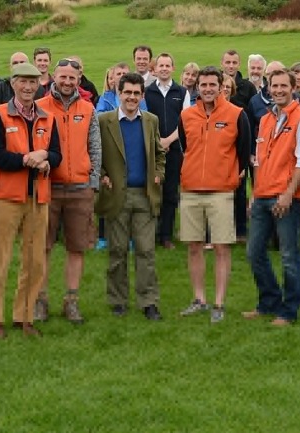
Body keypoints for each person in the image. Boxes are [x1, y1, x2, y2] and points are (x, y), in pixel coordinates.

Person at [0, 63, 62, 338]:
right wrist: (27, 160)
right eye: (23, 82)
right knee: (1, 259)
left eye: (33, 82)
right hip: (8, 197)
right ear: (13, 84)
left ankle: (24, 316)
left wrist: (45, 158)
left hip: (38, 197)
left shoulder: (48, 117)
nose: (29, 87)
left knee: (34, 260)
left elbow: (56, 155)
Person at [178, 66, 250, 323]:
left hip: (221, 191)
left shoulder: (236, 114)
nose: (207, 89)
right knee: (194, 247)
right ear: (197, 87)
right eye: (203, 85)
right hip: (191, 190)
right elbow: (186, 147)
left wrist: (229, 176)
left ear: (221, 87)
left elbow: (243, 152)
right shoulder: (186, 115)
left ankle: (219, 303)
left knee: (221, 247)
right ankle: (199, 299)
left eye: (212, 85)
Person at [244, 68, 300, 326]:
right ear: (268, 88)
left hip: (287, 198)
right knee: (254, 253)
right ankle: (268, 302)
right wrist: (254, 193)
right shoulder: (264, 119)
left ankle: (289, 310)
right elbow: (259, 159)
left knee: (288, 255)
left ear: (294, 87)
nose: (278, 90)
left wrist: (288, 194)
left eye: (284, 86)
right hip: (262, 195)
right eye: (274, 86)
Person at [34, 58, 101, 324]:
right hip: (48, 187)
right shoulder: (39, 108)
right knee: (43, 247)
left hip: (80, 188)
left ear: (79, 78)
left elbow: (95, 147)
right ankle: (40, 299)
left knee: (77, 247)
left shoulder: (87, 108)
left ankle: (71, 300)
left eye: (72, 78)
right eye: (62, 77)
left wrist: (93, 181)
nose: (67, 82)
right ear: (54, 77)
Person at [96, 72, 166, 319]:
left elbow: (159, 153)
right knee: (117, 250)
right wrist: (102, 174)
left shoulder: (151, 121)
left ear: (142, 96)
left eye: (137, 93)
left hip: (144, 195)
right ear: (119, 93)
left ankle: (148, 301)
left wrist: (159, 173)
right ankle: (118, 300)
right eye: (127, 92)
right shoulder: (104, 121)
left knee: (146, 251)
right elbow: (95, 154)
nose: (132, 97)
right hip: (117, 194)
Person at [145, 53, 190, 250]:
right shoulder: (146, 92)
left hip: (174, 150)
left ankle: (166, 235)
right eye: (160, 65)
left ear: (173, 68)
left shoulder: (182, 92)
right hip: (150, 149)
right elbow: (143, 119)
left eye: (167, 65)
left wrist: (169, 140)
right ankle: (148, 233)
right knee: (149, 192)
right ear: (154, 69)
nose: (163, 68)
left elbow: (186, 120)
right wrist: (157, 142)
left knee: (171, 193)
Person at [222, 50, 254, 242]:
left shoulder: (247, 87)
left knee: (240, 191)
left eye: (235, 62)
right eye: (228, 62)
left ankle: (241, 230)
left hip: (240, 146)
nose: (231, 65)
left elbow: (253, 114)